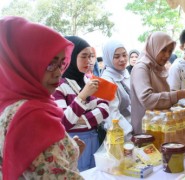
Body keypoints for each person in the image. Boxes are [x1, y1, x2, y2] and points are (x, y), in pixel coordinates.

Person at [0, 16, 84, 179]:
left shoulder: (12, 104)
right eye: (50, 63)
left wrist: (68, 151)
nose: (59, 72)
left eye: (61, 63)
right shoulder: (32, 116)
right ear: (25, 62)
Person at [53, 36, 110, 171]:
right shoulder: (58, 85)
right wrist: (84, 96)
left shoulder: (88, 79)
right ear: (70, 58)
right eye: (84, 56)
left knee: (95, 174)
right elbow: (64, 122)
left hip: (94, 139)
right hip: (74, 142)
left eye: (91, 56)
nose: (89, 61)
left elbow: (105, 108)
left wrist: (81, 119)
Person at [130, 31, 185, 134]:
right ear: (154, 47)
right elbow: (147, 99)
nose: (167, 55)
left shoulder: (158, 68)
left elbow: (164, 101)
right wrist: (182, 94)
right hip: (145, 132)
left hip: (159, 128)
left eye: (170, 51)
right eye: (163, 50)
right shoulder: (141, 68)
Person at [101, 39, 133, 140]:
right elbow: (112, 114)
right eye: (116, 56)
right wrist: (129, 135)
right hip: (119, 134)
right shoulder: (105, 81)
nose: (122, 59)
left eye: (124, 55)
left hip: (133, 127)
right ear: (108, 58)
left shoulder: (125, 74)